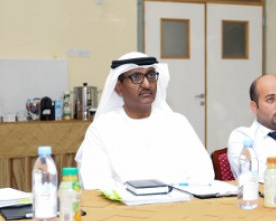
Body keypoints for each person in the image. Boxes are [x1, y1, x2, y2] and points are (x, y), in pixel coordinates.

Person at [75, 52, 214, 189]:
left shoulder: (177, 123)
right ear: (119, 87)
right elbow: (95, 182)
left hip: (179, 201)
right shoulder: (102, 128)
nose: (147, 84)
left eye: (151, 75)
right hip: (123, 203)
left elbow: (203, 172)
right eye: (136, 77)